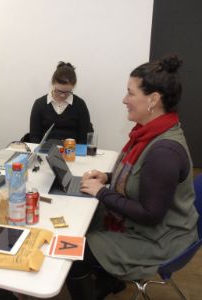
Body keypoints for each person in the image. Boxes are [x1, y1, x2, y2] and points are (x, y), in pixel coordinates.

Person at [66, 55, 199, 300]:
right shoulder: (149, 133)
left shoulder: (163, 151)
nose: (124, 100)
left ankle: (98, 285)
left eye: (130, 93)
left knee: (73, 249)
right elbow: (140, 177)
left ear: (153, 100)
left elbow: (150, 214)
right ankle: (108, 281)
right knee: (81, 224)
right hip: (151, 228)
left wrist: (101, 192)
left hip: (159, 240)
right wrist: (107, 177)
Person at [29, 61, 91, 144]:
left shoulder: (80, 105)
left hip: (72, 153)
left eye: (67, 92)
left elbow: (84, 138)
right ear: (52, 84)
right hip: (45, 153)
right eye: (59, 91)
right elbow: (34, 137)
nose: (62, 95)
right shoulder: (39, 104)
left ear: (73, 87)